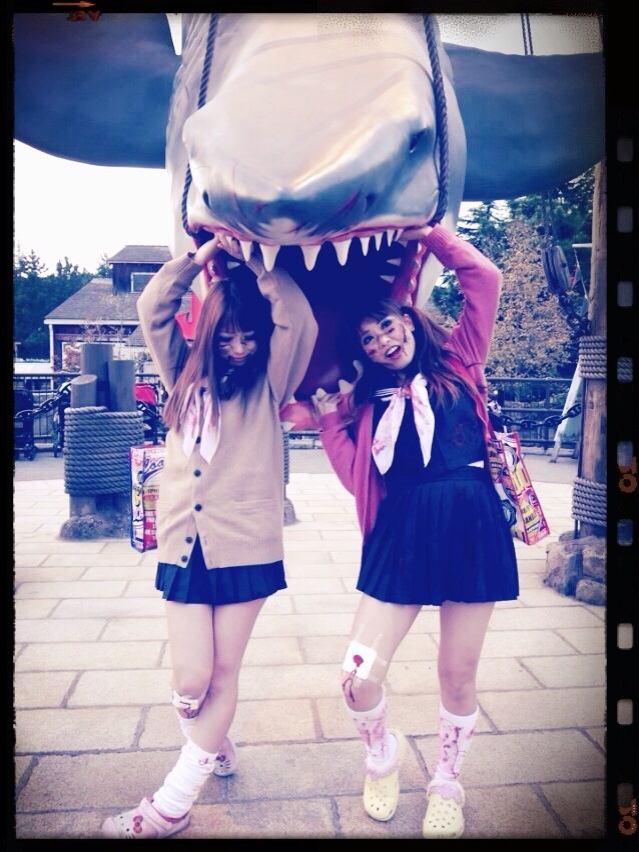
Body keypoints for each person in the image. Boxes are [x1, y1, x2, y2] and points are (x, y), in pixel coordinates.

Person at [102, 235, 318, 839]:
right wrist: (199, 261)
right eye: (228, 336)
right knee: (189, 681)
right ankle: (210, 738)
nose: (240, 347)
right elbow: (153, 308)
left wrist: (253, 260)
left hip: (246, 544)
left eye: (249, 337)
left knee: (222, 676)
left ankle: (171, 805)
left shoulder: (269, 383)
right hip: (183, 543)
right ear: (208, 333)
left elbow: (296, 317)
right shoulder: (180, 374)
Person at [311, 222, 519, 839]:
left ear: (406, 318)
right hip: (399, 534)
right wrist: (330, 423)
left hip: (470, 525)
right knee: (357, 678)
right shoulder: (368, 400)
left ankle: (447, 782)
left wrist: (428, 236)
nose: (381, 341)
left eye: (386, 326)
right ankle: (381, 756)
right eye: (368, 339)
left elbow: (484, 277)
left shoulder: (460, 354)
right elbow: (356, 478)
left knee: (456, 673)